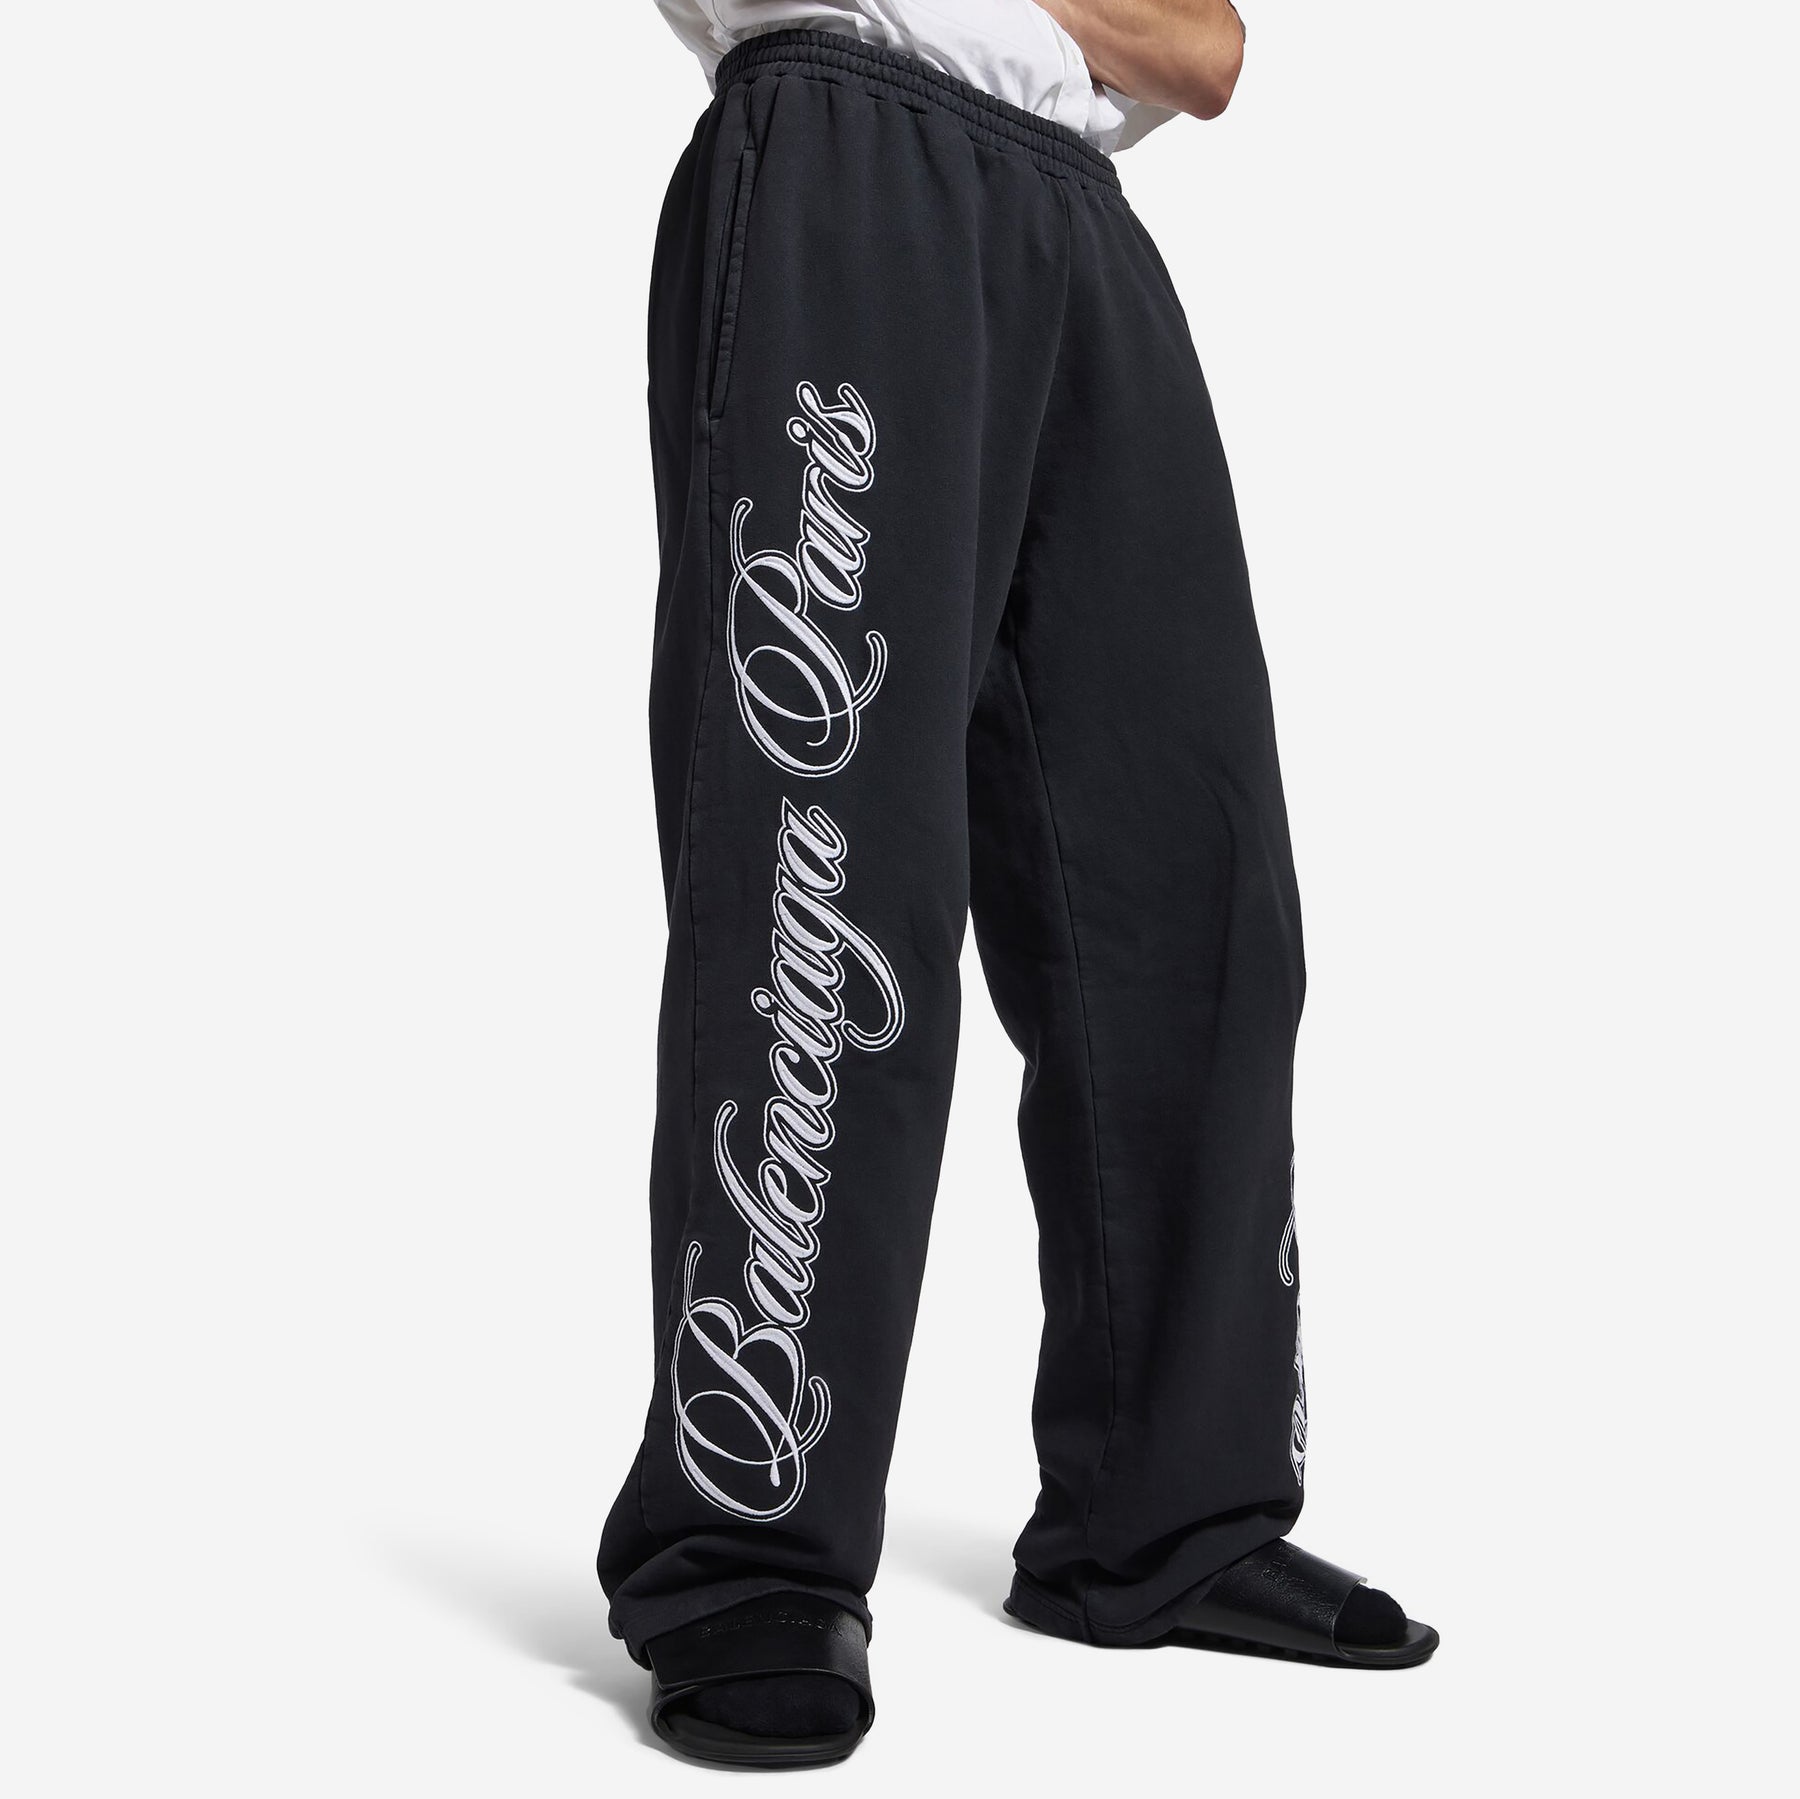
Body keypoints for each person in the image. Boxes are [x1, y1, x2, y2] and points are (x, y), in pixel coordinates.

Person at [600, 1, 1438, 1768]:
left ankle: (1169, 1515)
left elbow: (1207, 52)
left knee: (1190, 882)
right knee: (825, 883)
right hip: (842, 152)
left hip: (1078, 219)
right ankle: (748, 1554)